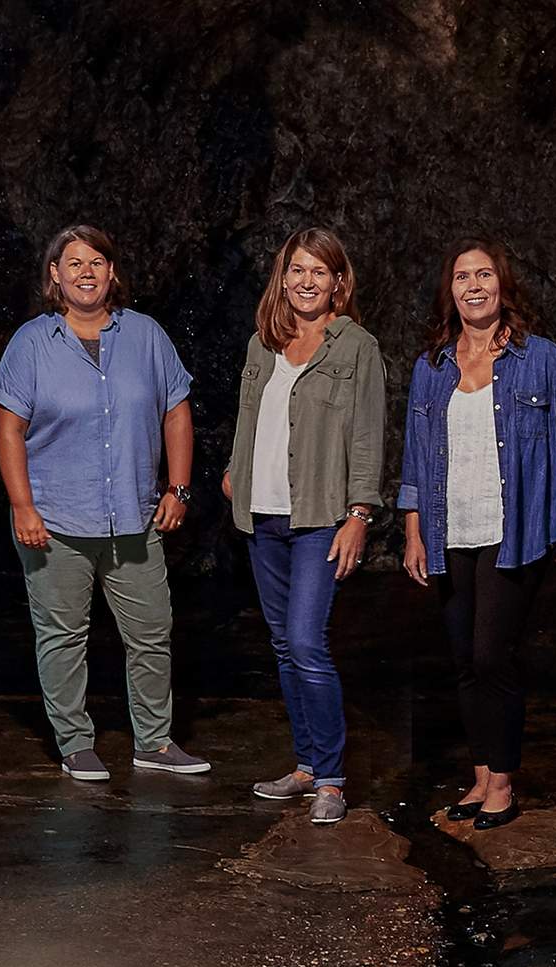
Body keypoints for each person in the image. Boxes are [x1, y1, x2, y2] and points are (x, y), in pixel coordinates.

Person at [0, 224, 210, 782]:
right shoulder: (32, 343)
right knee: (62, 637)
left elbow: (176, 411)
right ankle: (74, 743)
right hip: (55, 521)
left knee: (152, 633)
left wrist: (178, 487)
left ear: (111, 272)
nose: (86, 273)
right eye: (74, 263)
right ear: (55, 275)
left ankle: (154, 742)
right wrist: (22, 506)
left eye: (96, 262)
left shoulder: (146, 335)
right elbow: (8, 428)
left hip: (133, 518)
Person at [398, 237, 556, 831]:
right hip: (449, 529)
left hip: (514, 531)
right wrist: (413, 531)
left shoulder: (538, 358)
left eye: (484, 274)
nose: (474, 286)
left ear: (502, 285)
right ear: (450, 290)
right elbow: (415, 458)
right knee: (464, 660)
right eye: (463, 277)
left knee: (492, 656)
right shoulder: (432, 367)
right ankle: (482, 775)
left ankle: (505, 783)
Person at [223, 227, 385, 825]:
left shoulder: (357, 346)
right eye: (297, 269)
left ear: (338, 281)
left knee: (307, 642)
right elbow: (249, 418)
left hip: (319, 516)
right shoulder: (261, 344)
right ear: (283, 276)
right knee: (283, 646)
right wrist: (234, 470)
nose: (306, 281)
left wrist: (359, 514)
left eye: (319, 271)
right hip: (262, 515)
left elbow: (367, 436)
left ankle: (332, 779)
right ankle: (307, 764)